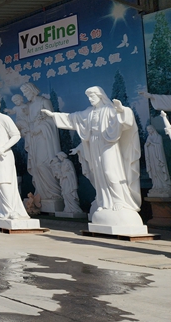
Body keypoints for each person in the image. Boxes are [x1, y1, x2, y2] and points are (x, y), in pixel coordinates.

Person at [42, 86, 142, 224]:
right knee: (99, 174)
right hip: (95, 144)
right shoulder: (89, 112)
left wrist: (121, 109)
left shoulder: (109, 109)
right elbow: (73, 119)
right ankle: (105, 202)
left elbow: (126, 119)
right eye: (88, 97)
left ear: (100, 96)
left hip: (108, 144)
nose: (90, 99)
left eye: (92, 96)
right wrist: (54, 115)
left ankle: (120, 201)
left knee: (110, 172)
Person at [20, 83, 62, 207]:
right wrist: (25, 130)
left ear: (32, 91)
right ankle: (41, 193)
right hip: (33, 138)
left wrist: (40, 128)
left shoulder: (44, 101)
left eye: (26, 92)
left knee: (42, 164)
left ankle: (54, 193)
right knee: (36, 166)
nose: (25, 95)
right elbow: (25, 123)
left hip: (44, 137)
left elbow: (52, 121)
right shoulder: (27, 106)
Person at [144, 125, 171, 197]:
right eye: (147, 130)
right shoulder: (149, 137)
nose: (149, 131)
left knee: (159, 170)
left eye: (149, 129)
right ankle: (156, 186)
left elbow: (159, 146)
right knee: (154, 171)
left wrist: (152, 143)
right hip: (152, 157)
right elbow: (146, 145)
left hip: (158, 157)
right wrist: (146, 145)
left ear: (153, 129)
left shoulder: (158, 137)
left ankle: (165, 185)